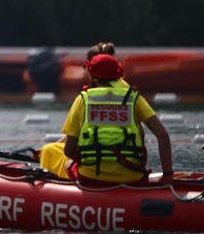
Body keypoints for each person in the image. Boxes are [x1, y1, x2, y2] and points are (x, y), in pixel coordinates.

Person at [38, 42, 173, 184]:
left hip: (91, 176)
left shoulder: (83, 99)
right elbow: (162, 135)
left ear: (91, 74)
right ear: (118, 73)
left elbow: (69, 150)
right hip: (131, 175)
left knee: (66, 163)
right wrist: (168, 174)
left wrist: (88, 160)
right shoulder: (132, 97)